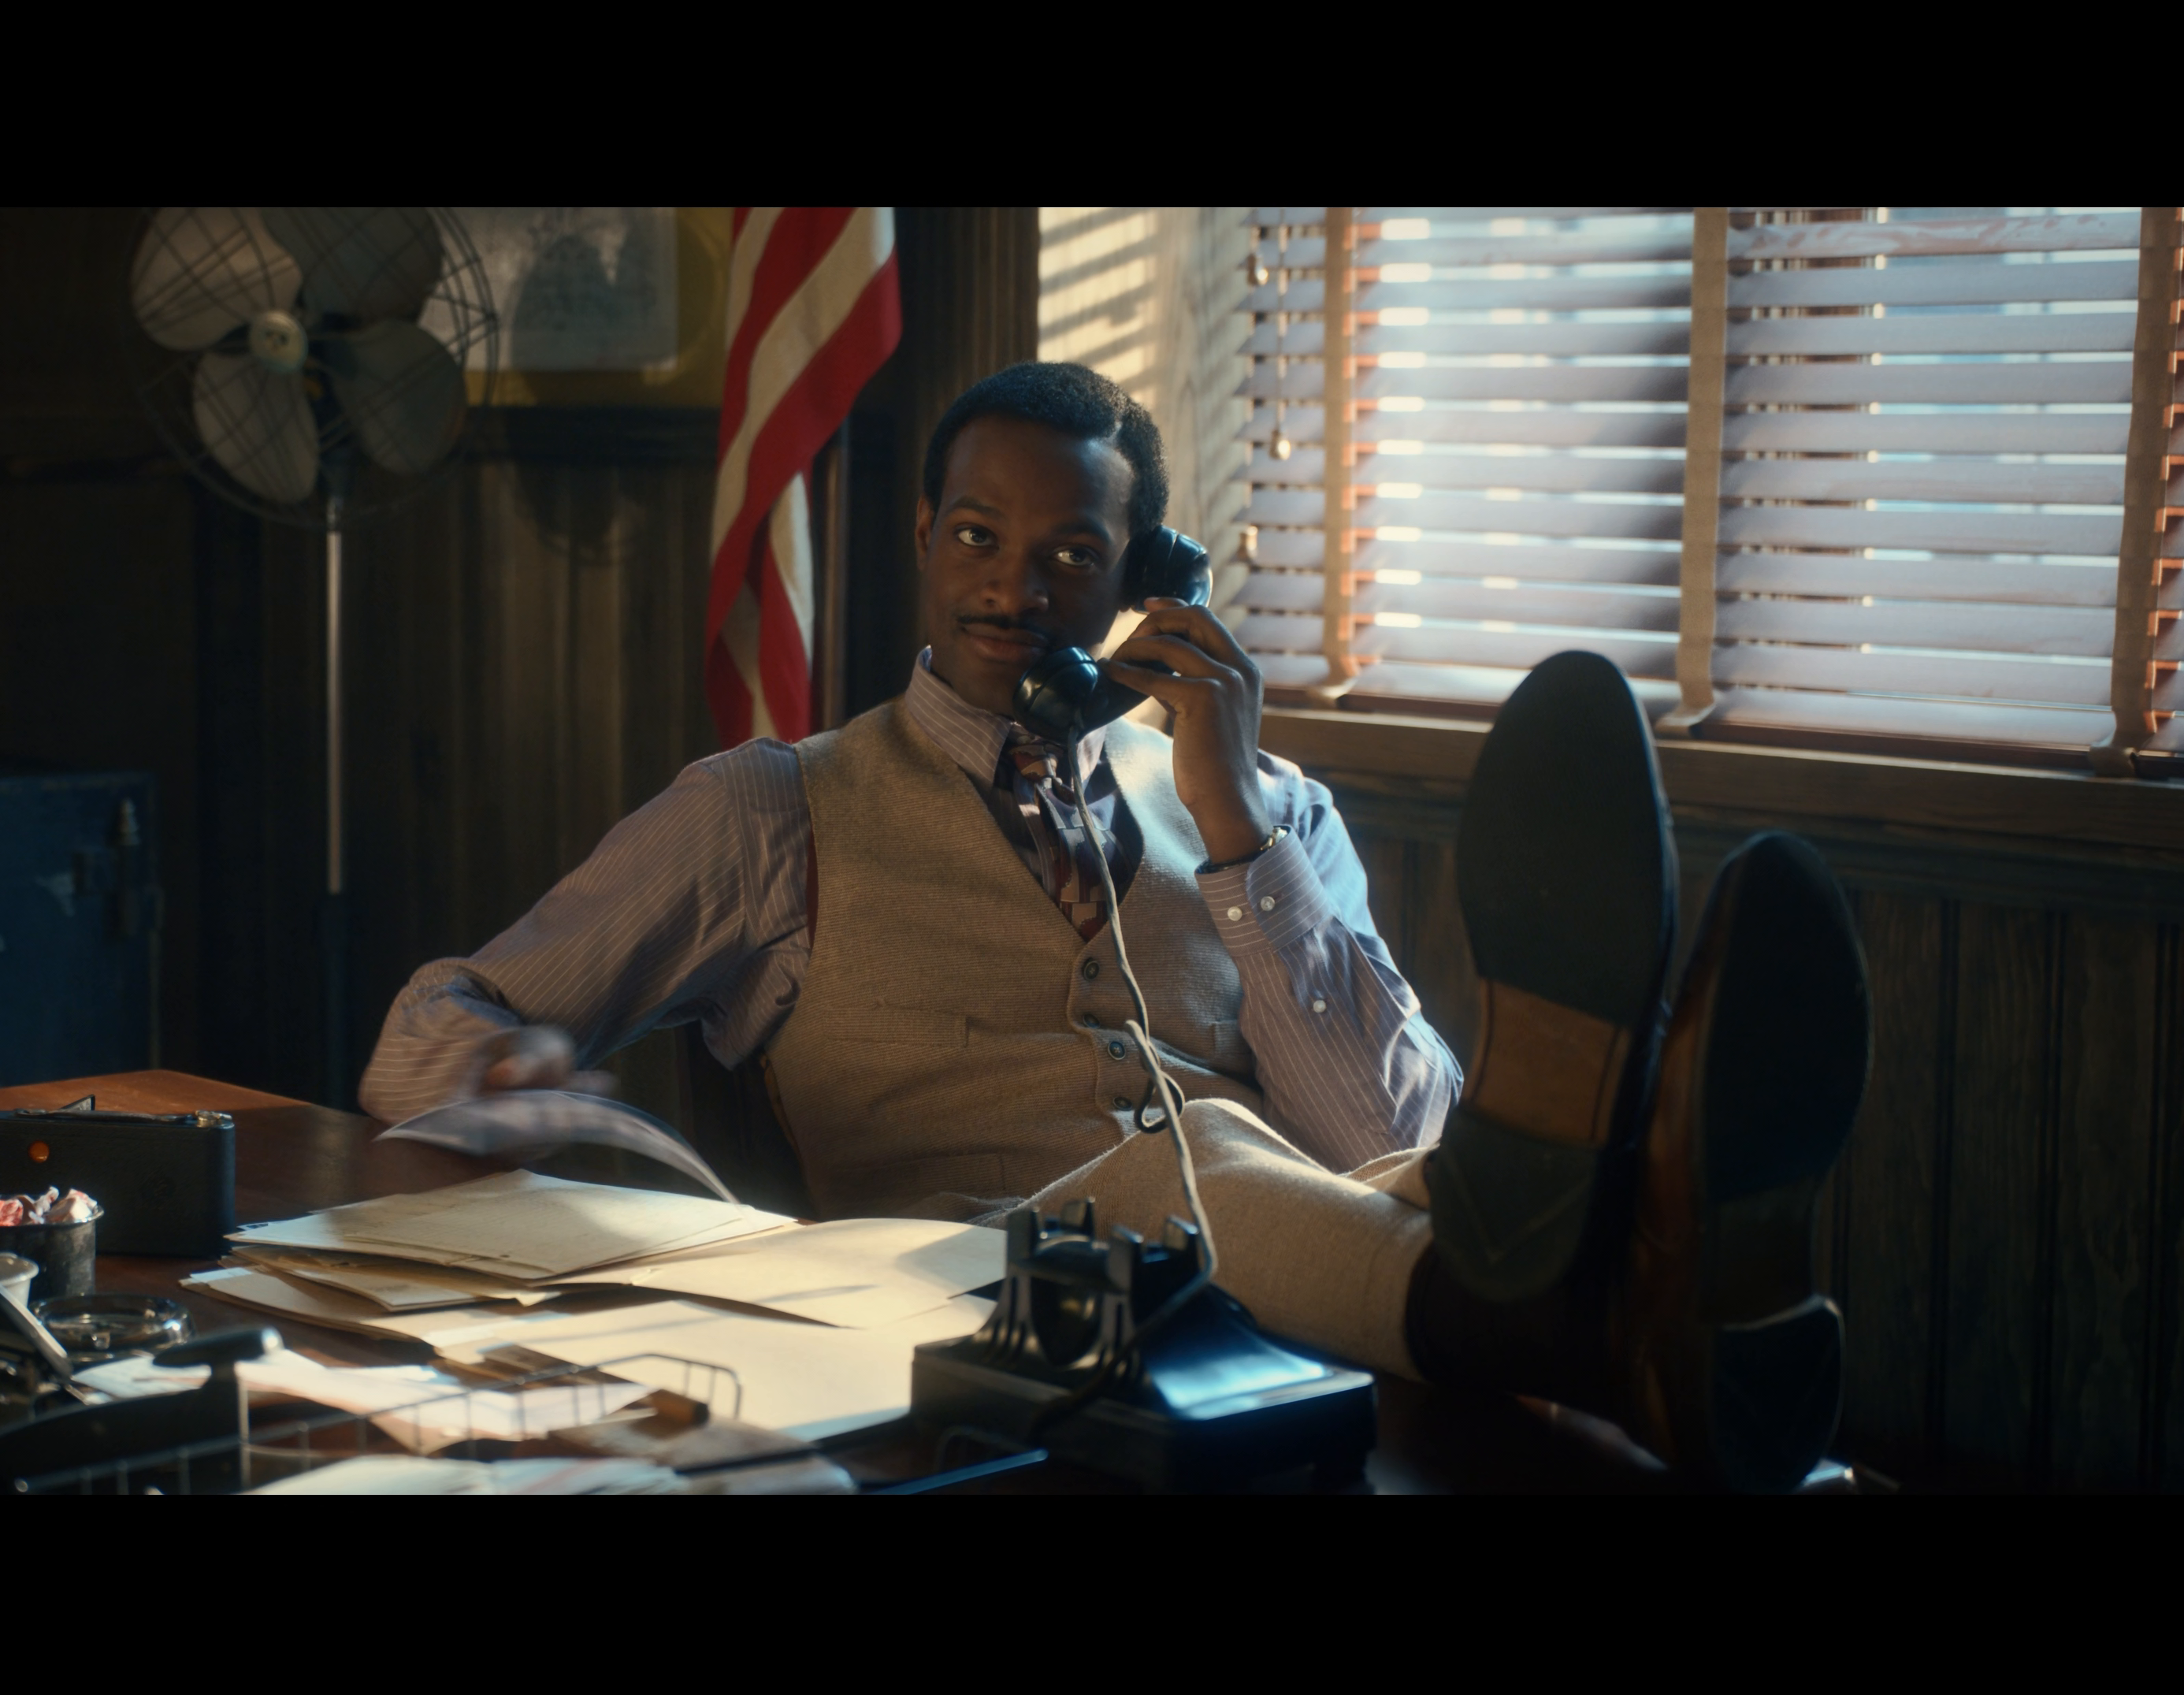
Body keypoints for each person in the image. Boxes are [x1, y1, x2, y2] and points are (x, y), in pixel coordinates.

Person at [364, 362, 1866, 1491]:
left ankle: (1640, 1285)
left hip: (1265, 1323)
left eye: (1072, 554)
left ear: (1147, 578)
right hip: (960, 1315)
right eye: (976, 537)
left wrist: (1235, 831)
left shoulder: (1267, 807)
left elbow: (1397, 1149)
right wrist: (495, 1073)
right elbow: (431, 1024)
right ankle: (1636, 1295)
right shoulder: (770, 809)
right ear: (923, 539)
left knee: (1393, 1170)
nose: (1014, 587)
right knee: (1202, 1155)